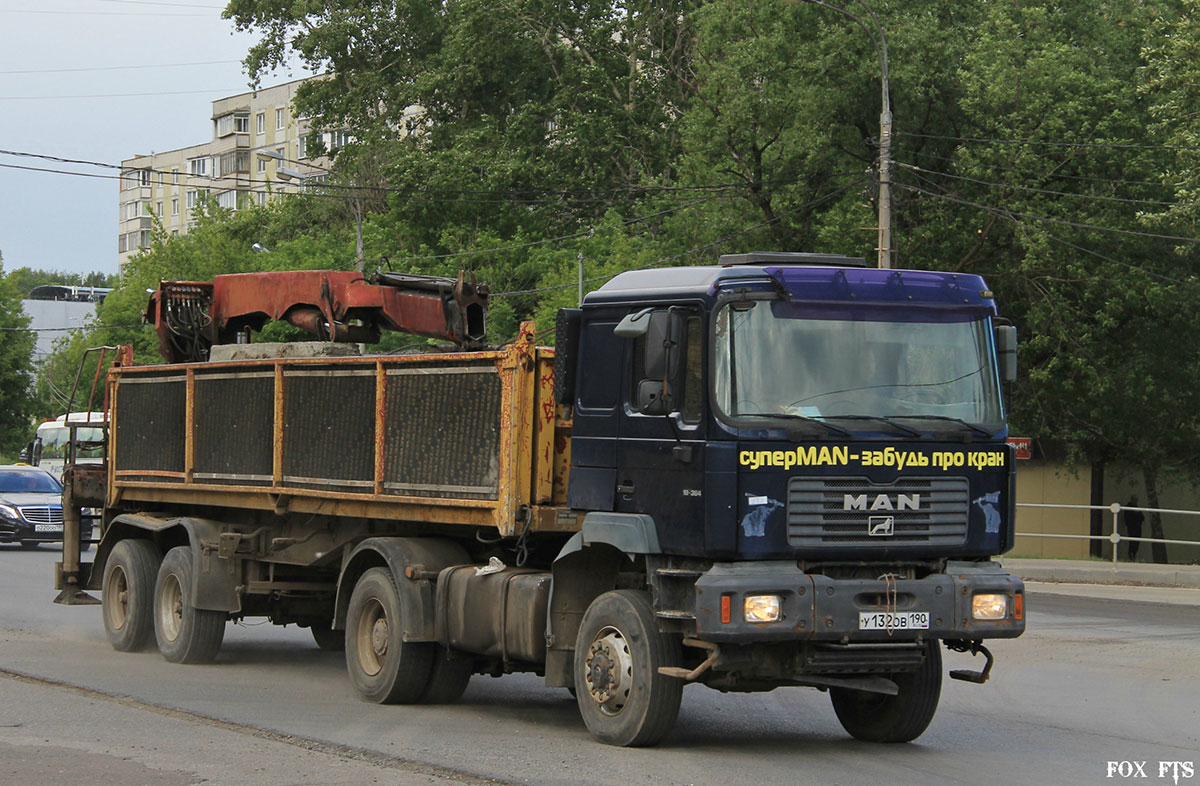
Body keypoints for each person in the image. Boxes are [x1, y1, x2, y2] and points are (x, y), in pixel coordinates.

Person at [1123, 496, 1145, 560]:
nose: (1136, 502)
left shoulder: (1137, 508)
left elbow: (1142, 517)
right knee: (1132, 542)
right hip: (1132, 527)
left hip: (1138, 527)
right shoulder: (1128, 508)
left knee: (1137, 542)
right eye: (1135, 500)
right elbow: (1128, 518)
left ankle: (1134, 555)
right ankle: (1131, 555)